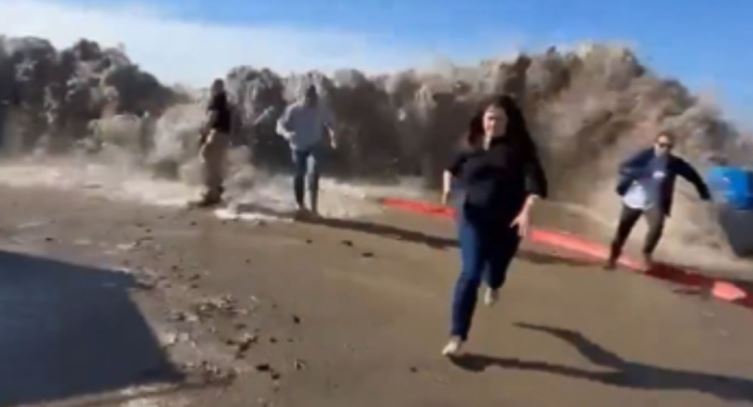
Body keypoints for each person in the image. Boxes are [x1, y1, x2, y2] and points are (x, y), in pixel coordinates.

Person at [440, 95, 548, 357]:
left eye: (500, 118)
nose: (494, 123)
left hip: (507, 223)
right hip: (472, 219)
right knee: (470, 273)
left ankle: (495, 284)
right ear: (482, 119)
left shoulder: (519, 150)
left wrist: (526, 211)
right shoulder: (470, 143)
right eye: (490, 118)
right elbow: (449, 168)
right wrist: (446, 188)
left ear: (509, 121)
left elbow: (536, 185)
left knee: (496, 272)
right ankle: (457, 336)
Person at [605, 131, 711, 270]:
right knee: (622, 231)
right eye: (661, 145)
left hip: (654, 202)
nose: (664, 149)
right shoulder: (644, 156)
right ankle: (612, 259)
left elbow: (692, 175)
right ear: (655, 145)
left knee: (657, 227)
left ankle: (646, 255)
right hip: (633, 200)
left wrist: (703, 191)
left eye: (668, 146)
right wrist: (646, 172)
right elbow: (623, 167)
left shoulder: (673, 163)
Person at [276, 85, 337, 215]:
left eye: (315, 97)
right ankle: (300, 205)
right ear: (304, 97)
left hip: (315, 145)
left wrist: (333, 137)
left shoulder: (320, 108)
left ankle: (314, 208)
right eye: (310, 97)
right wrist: (286, 134)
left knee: (314, 173)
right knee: (299, 174)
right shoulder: (293, 109)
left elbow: (331, 123)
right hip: (297, 146)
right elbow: (279, 125)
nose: (313, 101)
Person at [195, 78, 232, 207]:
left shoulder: (217, 99)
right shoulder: (225, 100)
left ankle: (212, 193)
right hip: (224, 135)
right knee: (215, 162)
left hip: (217, 133)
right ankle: (217, 188)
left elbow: (212, 117)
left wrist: (204, 132)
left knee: (207, 159)